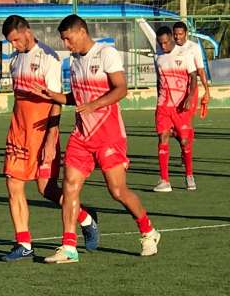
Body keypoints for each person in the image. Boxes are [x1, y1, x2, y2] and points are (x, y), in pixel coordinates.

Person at [36, 15, 160, 263]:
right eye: (63, 40)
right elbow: (77, 97)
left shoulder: (106, 53)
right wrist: (54, 96)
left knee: (117, 191)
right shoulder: (73, 61)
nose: (66, 45)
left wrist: (94, 105)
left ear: (81, 32)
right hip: (82, 135)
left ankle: (148, 231)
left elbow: (121, 88)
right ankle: (69, 247)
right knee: (70, 186)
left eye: (68, 39)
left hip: (108, 135)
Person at [0, 15, 100, 262]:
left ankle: (86, 218)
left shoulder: (49, 58)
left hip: (41, 132)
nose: (14, 45)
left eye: (15, 40)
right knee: (13, 183)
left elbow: (56, 101)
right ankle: (24, 243)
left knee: (46, 188)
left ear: (26, 32)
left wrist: (51, 137)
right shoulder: (14, 60)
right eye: (10, 42)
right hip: (18, 131)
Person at [150, 25, 210, 192]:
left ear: (171, 39)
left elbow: (192, 77)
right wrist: (158, 99)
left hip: (181, 105)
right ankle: (164, 180)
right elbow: (158, 81)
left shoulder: (185, 54)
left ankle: (189, 174)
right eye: (160, 43)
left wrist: (190, 96)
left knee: (184, 141)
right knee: (162, 137)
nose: (164, 46)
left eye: (166, 42)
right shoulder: (157, 57)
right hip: (163, 106)